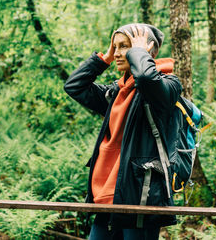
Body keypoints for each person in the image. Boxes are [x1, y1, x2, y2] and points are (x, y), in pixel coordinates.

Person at [64, 23, 182, 240]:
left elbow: (147, 79)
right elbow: (74, 86)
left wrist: (138, 51)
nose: (117, 52)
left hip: (138, 196)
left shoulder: (168, 86)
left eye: (124, 46)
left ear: (147, 50)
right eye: (114, 46)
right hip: (106, 195)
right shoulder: (115, 92)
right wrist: (104, 58)